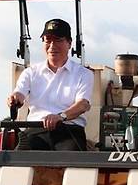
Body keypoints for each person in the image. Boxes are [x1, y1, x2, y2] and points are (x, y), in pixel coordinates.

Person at [6, 18, 93, 151]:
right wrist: (14, 98)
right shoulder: (30, 73)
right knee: (18, 163)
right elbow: (20, 93)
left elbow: (82, 105)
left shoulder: (84, 74)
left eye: (58, 40)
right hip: (35, 131)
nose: (52, 46)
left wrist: (60, 117)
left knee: (74, 163)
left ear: (69, 44)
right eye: (48, 40)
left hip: (69, 131)